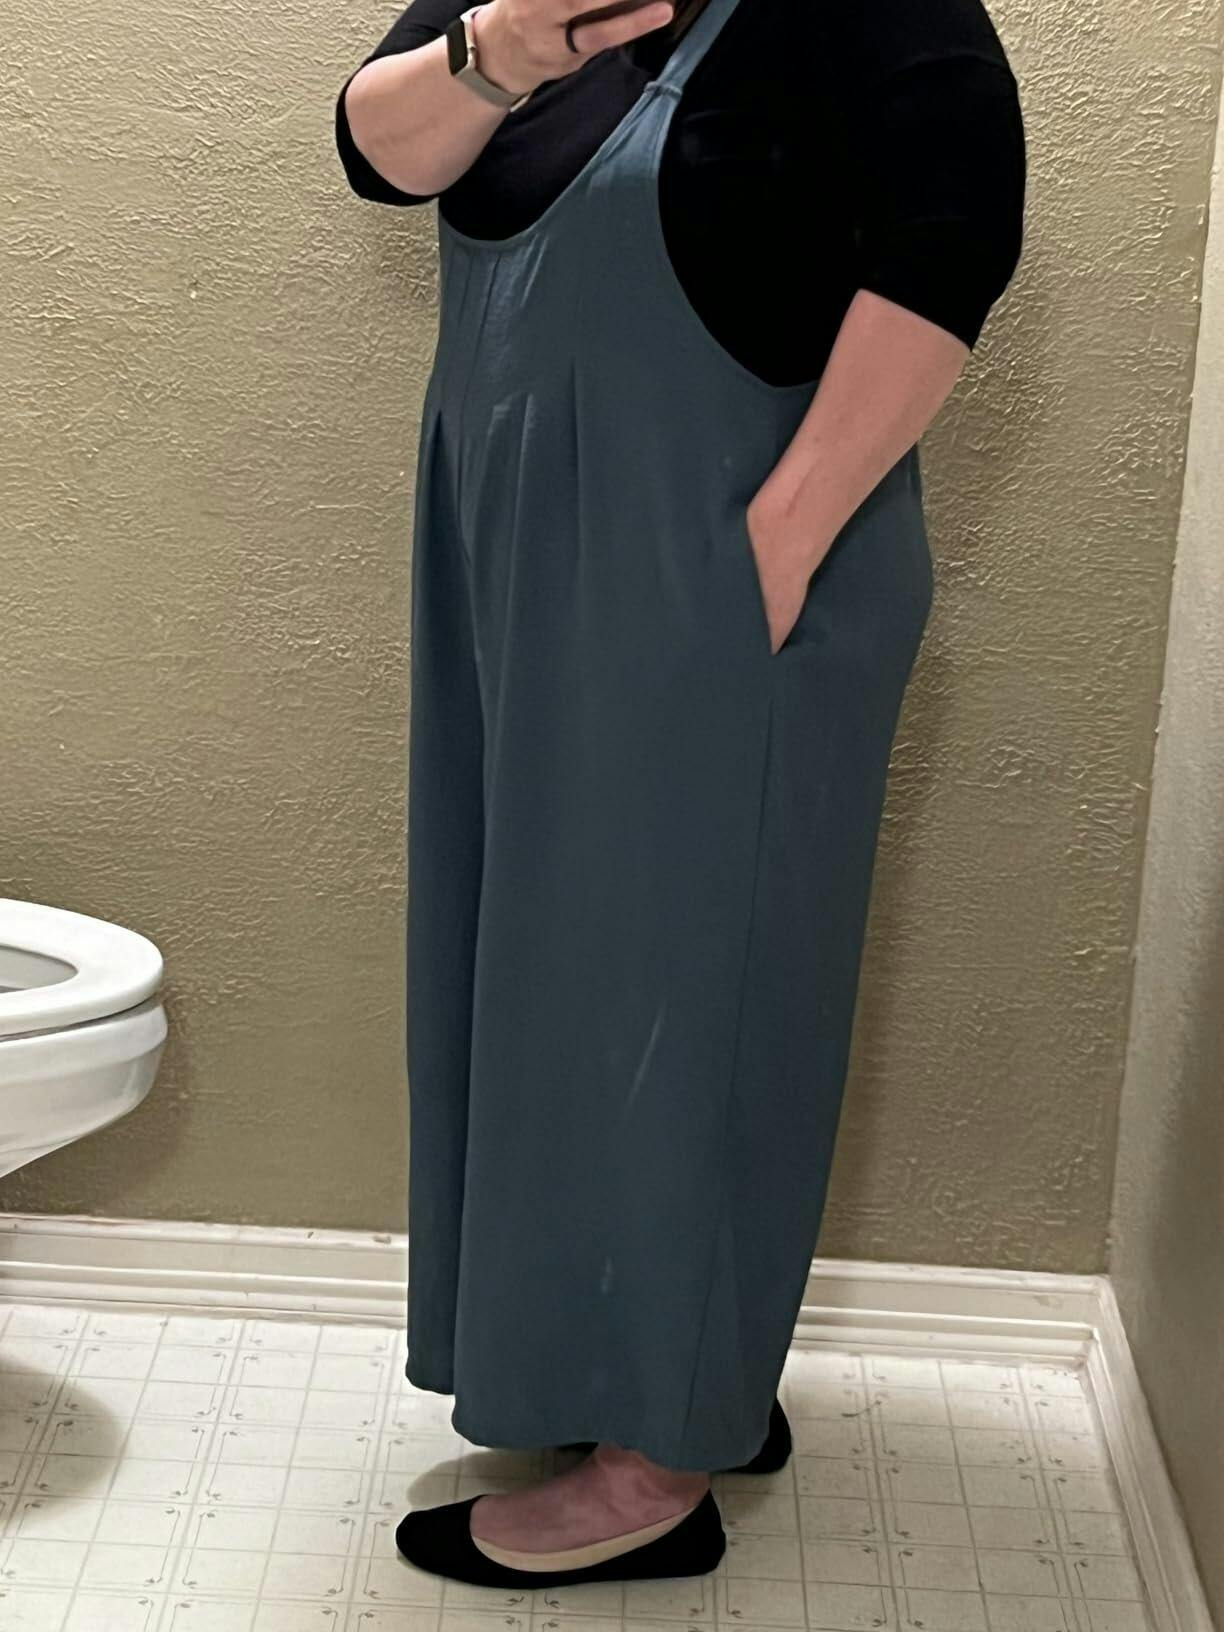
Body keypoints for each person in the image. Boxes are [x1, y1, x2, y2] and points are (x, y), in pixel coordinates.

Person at [334, 0, 1026, 1590]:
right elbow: (376, 148)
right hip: (521, 574)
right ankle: (655, 1362)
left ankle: (654, 1466)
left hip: (721, 569)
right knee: (554, 985)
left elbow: (951, 244)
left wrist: (771, 554)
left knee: (693, 996)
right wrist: (503, 49)